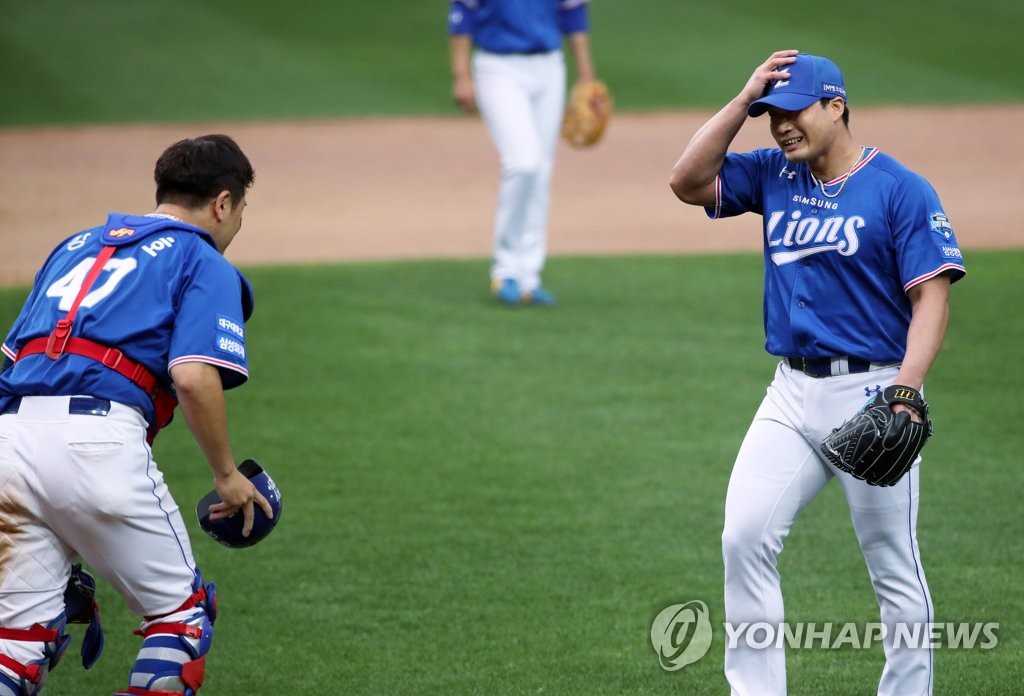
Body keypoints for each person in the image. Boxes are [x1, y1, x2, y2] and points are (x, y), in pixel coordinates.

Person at [668, 51, 966, 695]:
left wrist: (905, 389)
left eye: (793, 112)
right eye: (771, 117)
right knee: (743, 536)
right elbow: (687, 180)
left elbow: (932, 298)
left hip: (872, 392)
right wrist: (746, 97)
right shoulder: (774, 174)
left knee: (892, 564)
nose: (780, 128)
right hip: (790, 391)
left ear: (836, 106)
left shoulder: (900, 189)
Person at [0, 134, 274, 695]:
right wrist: (226, 474)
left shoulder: (74, 246)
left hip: (9, 444)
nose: (239, 223)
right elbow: (194, 377)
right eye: (241, 210)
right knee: (181, 619)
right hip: (98, 446)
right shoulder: (202, 257)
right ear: (222, 203)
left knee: (17, 642)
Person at [447, 0, 601, 306]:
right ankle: (505, 270)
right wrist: (461, 75)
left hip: (549, 66)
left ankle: (529, 275)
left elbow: (573, 13)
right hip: (497, 66)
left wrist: (586, 74)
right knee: (523, 163)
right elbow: (462, 15)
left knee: (541, 171)